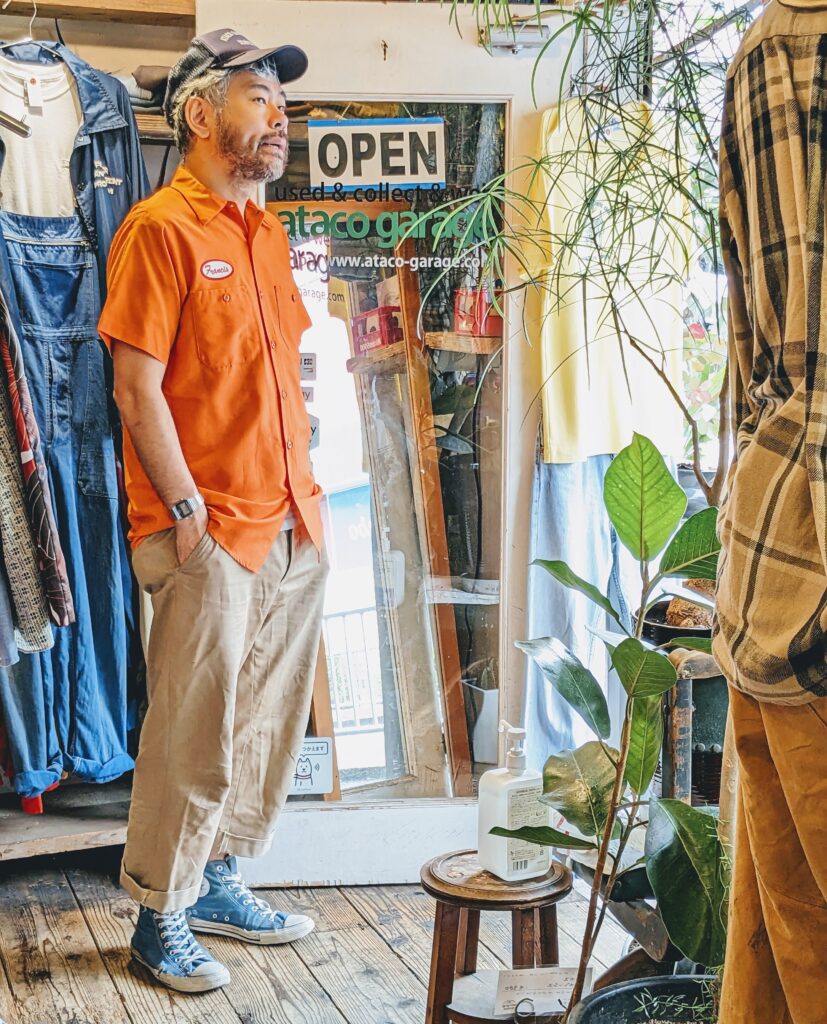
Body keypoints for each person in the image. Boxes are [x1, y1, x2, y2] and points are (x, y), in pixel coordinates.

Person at [97, 28, 328, 993]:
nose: (278, 115)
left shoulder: (264, 231)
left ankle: (220, 878)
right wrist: (185, 509)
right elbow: (135, 387)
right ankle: (160, 914)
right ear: (200, 114)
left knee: (262, 720)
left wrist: (304, 506)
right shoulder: (159, 229)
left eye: (280, 102)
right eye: (256, 97)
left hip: (288, 520)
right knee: (192, 729)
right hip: (206, 527)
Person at [715, 2, 827, 1022]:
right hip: (792, 561)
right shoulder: (790, 41)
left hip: (770, 554)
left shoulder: (773, 40)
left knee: (773, 950)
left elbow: (752, 353)